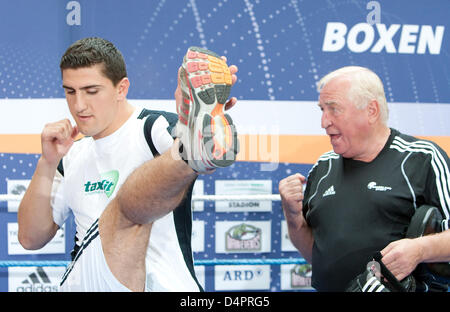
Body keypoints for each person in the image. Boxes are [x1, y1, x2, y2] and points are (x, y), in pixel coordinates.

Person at [17, 38, 238, 291]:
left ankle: (189, 141)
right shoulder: (70, 155)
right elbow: (30, 238)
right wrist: (47, 162)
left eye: (91, 91)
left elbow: (209, 164)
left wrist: (202, 125)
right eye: (70, 91)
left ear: (121, 89)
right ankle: (190, 143)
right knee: (116, 215)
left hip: (158, 285)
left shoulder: (152, 127)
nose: (78, 105)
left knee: (126, 208)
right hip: (92, 283)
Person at [279, 66, 450, 292]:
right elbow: (316, 255)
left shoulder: (422, 158)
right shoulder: (323, 167)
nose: (324, 122)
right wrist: (293, 217)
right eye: (322, 110)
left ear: (371, 110)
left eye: (334, 109)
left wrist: (419, 249)